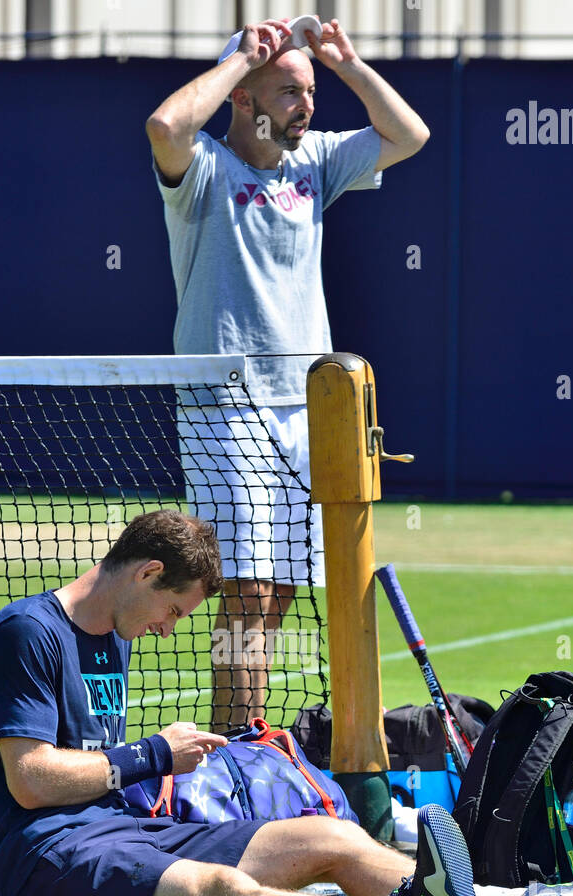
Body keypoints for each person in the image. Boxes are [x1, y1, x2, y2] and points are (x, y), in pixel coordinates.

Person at [0, 508, 573, 896]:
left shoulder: (114, 635)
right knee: (217, 889)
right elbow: (28, 782)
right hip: (47, 860)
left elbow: (78, 774)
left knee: (329, 838)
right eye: (175, 611)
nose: (167, 631)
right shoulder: (27, 634)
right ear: (147, 573)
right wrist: (156, 753)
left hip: (115, 833)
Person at [146, 16, 430, 731]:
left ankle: (253, 737)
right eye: (288, 91)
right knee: (244, 586)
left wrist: (345, 62)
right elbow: (164, 124)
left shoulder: (316, 163)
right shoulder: (205, 171)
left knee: (280, 594)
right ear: (243, 101)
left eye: (310, 92)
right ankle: (237, 745)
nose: (307, 104)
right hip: (224, 406)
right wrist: (242, 57)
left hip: (310, 409)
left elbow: (410, 135)